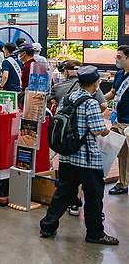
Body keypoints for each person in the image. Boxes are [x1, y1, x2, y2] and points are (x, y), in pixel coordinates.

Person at [39, 66, 119, 246]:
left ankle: (47, 226)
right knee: (93, 197)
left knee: (63, 193)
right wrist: (109, 131)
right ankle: (95, 234)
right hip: (87, 160)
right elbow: (98, 130)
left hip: (67, 157)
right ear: (96, 83)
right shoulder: (90, 103)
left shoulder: (67, 98)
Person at [104, 45, 129, 196]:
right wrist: (98, 99)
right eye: (116, 56)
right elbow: (113, 92)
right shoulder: (119, 75)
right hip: (119, 119)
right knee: (120, 152)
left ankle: (123, 182)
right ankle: (122, 182)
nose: (116, 59)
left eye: (119, 57)